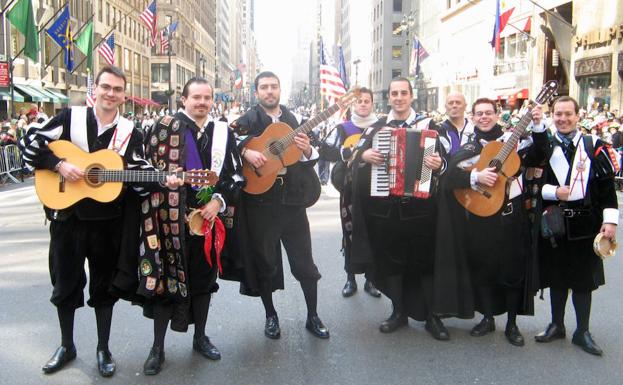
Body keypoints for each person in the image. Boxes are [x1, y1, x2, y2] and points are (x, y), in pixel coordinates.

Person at [19, 66, 181, 377]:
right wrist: (59, 164)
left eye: (117, 89)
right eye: (105, 87)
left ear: (123, 95)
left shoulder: (130, 131)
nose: (110, 93)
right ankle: (67, 345)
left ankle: (103, 348)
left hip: (108, 223)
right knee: (64, 283)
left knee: (104, 287)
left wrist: (165, 180)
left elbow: (137, 171)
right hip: (67, 217)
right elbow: (31, 146)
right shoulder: (70, 118)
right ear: (95, 89)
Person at [137, 77, 244, 375]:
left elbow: (235, 176)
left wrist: (218, 202)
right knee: (164, 283)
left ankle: (200, 337)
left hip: (207, 221)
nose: (201, 102)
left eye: (206, 97)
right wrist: (162, 179)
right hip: (168, 221)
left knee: (204, 282)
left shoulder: (222, 131)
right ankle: (157, 347)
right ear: (183, 99)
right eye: (195, 97)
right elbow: (144, 167)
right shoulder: (163, 128)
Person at [348, 77, 450, 340]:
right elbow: (353, 157)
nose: (399, 97)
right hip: (388, 209)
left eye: (404, 93)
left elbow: (447, 162)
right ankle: (398, 312)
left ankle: (432, 316)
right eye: (394, 93)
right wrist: (364, 156)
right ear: (389, 97)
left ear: (411, 96)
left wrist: (438, 164)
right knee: (392, 262)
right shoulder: (376, 128)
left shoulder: (431, 126)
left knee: (425, 262)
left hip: (421, 207)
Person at [439, 98, 547, 346]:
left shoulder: (515, 141)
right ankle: (487, 318)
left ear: (497, 115)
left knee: (512, 272)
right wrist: (476, 176)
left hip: (511, 216)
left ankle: (511, 324)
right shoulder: (469, 146)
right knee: (484, 269)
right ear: (473, 117)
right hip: (481, 217)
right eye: (479, 114)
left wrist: (539, 125)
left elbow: (540, 155)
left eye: (489, 113)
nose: (484, 117)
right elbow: (450, 177)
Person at [231, 71, 329, 340]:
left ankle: (313, 315)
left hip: (293, 202)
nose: (269, 91)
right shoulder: (248, 119)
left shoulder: (292, 119)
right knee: (265, 263)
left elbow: (308, 156)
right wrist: (244, 150)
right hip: (261, 202)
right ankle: (271, 316)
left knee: (305, 264)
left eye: (274, 86)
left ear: (280, 90)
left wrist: (308, 149)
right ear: (257, 92)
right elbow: (226, 141)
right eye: (264, 87)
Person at [535, 96, 618, 356]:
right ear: (552, 116)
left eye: (568, 114)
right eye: (558, 114)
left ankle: (582, 331)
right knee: (557, 279)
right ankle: (556, 325)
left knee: (583, 282)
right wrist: (553, 191)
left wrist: (610, 221)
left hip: (586, 224)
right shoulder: (544, 146)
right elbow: (532, 186)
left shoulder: (594, 146)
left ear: (577, 115)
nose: (563, 119)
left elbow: (607, 188)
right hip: (555, 224)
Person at [332, 88, 381, 298]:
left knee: (373, 234)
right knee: (350, 234)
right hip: (350, 188)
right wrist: (351, 153)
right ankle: (350, 279)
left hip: (376, 187)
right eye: (359, 101)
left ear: (372, 104)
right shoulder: (343, 128)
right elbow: (327, 149)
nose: (362, 104)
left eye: (366, 101)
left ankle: (372, 280)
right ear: (353, 104)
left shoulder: (382, 127)